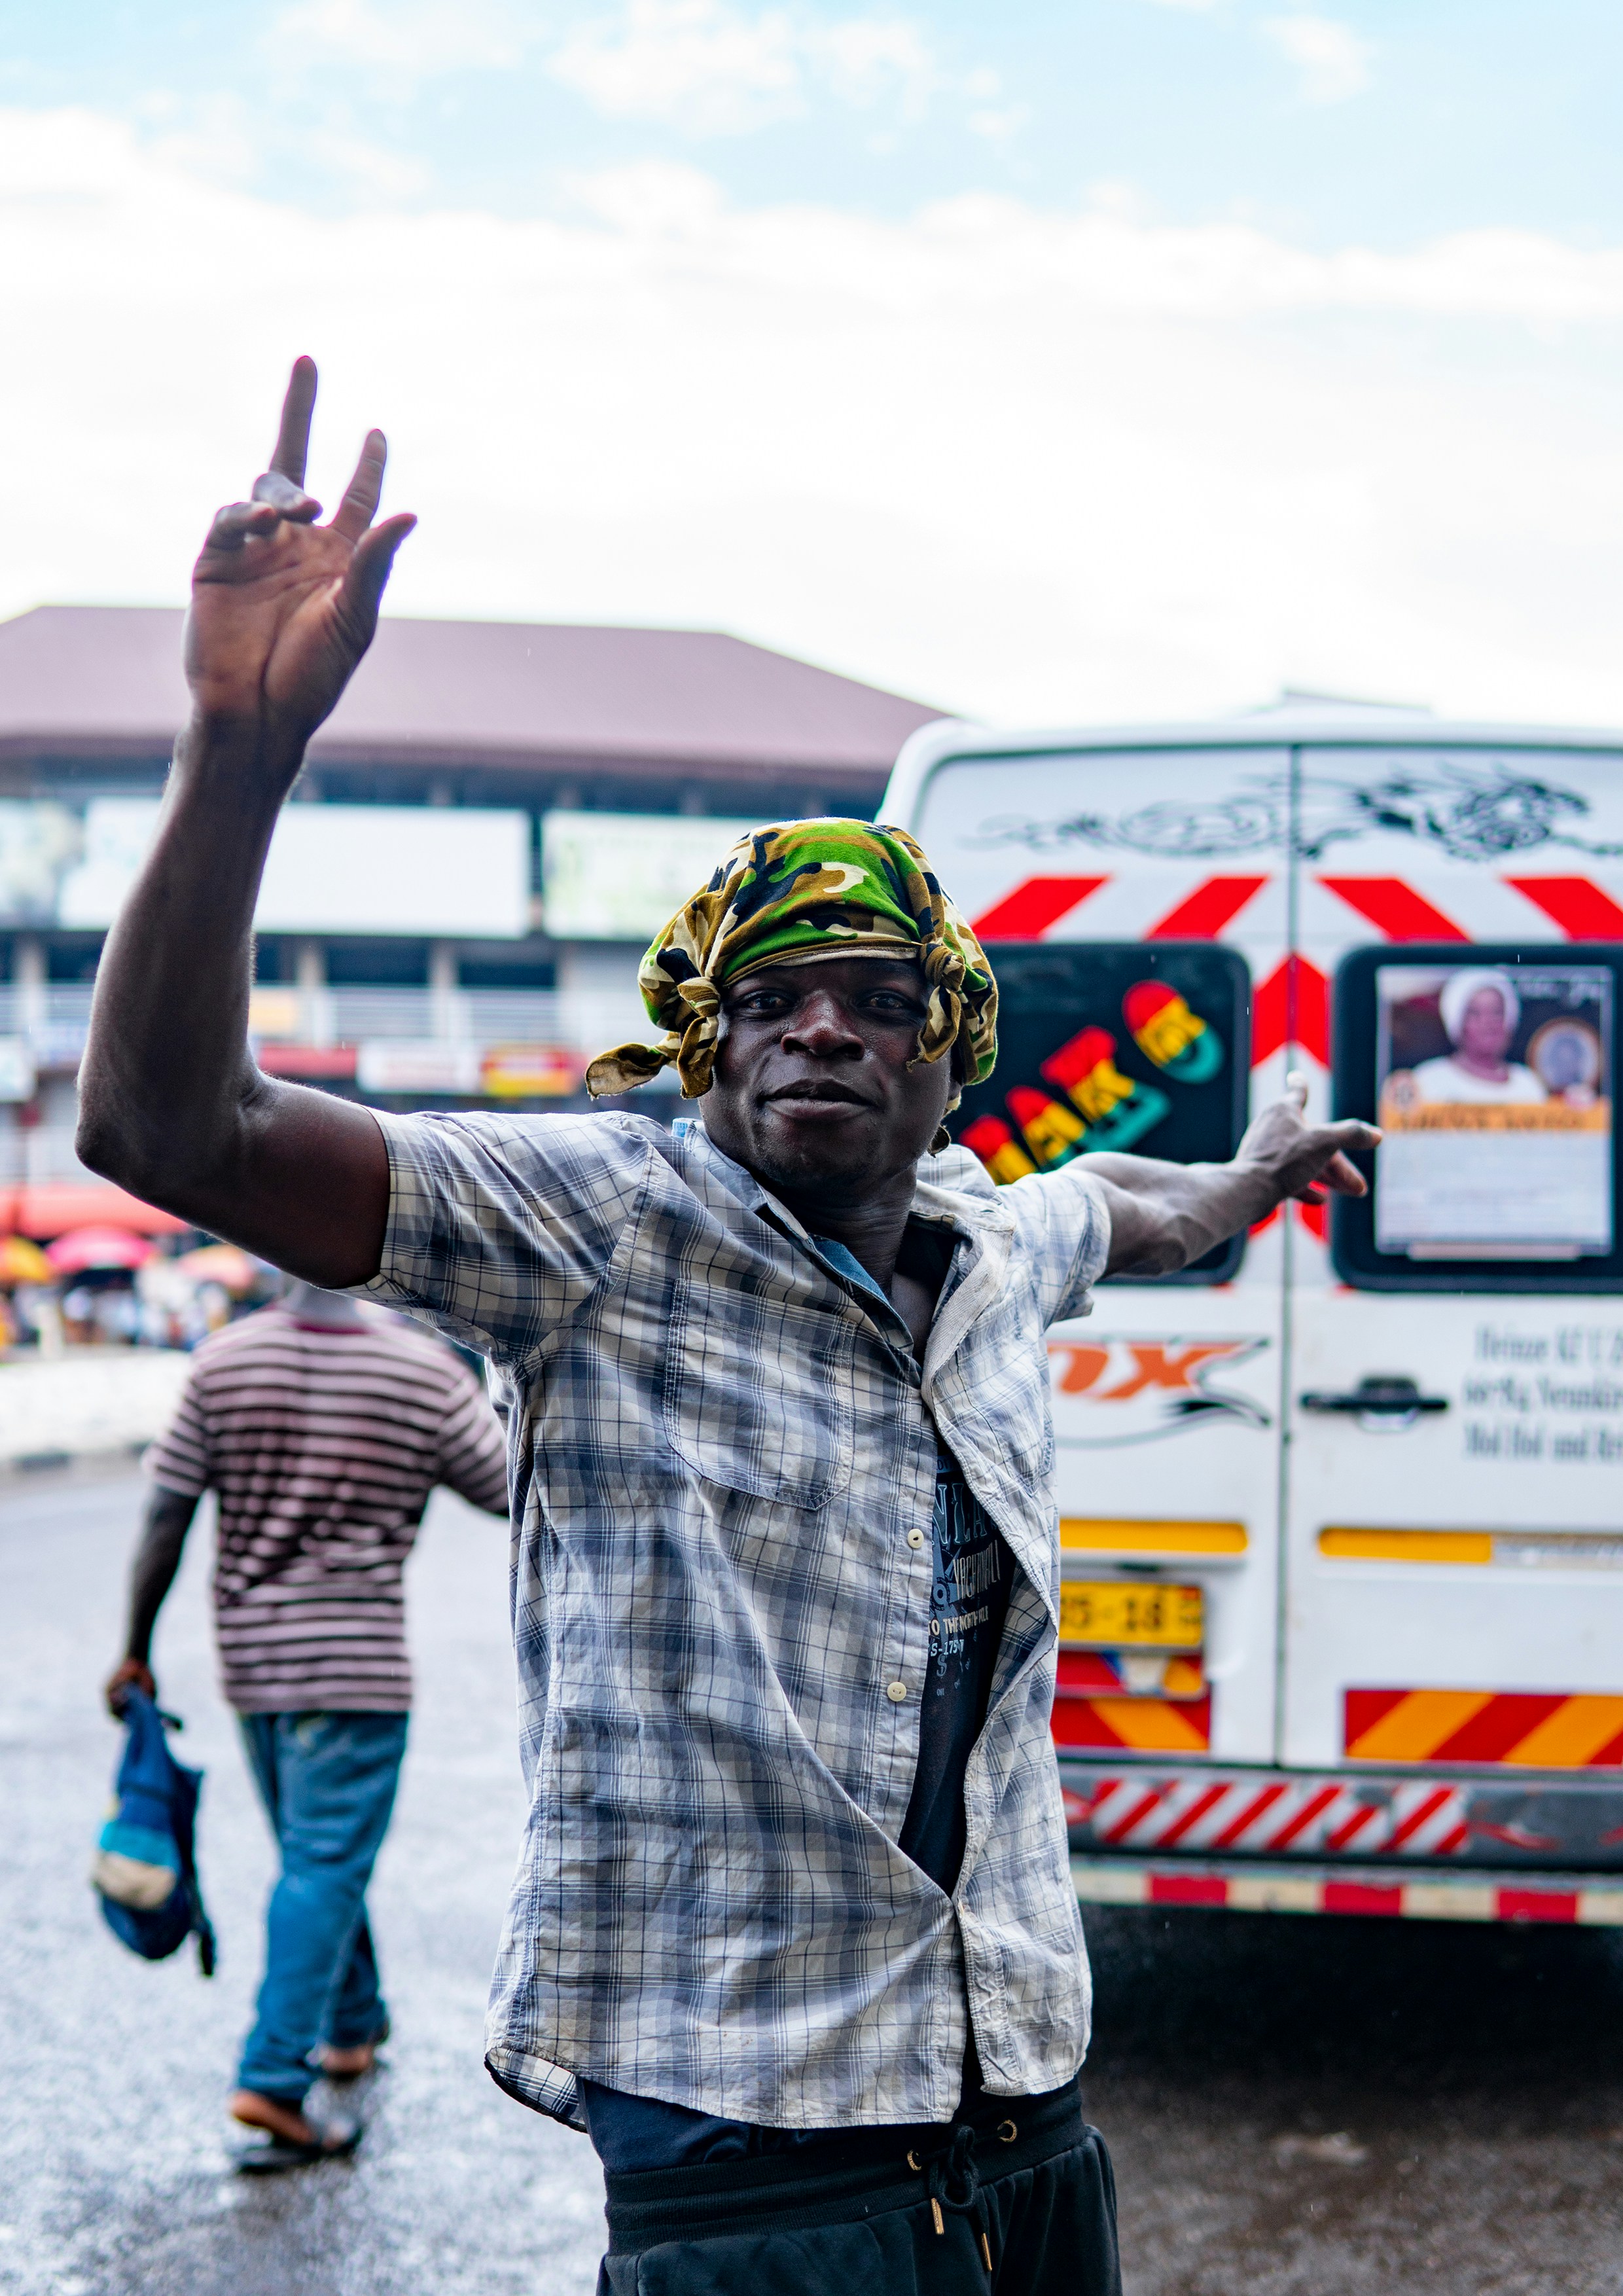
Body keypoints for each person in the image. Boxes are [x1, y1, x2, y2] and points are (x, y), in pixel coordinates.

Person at [79, 360, 1378, 2284]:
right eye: (770, 999)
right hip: (745, 2136)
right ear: (708, 1049)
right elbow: (169, 1128)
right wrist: (237, 748)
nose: (821, 1027)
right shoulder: (594, 1224)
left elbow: (1121, 1202)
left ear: (948, 1059)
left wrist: (1252, 1171)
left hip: (1021, 2098)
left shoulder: (986, 1242)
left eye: (874, 997)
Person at [104, 1274, 508, 2170]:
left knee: (315, 1856)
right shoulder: (421, 1373)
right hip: (358, 1670)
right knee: (324, 1862)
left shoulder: (224, 1361)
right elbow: (508, 1487)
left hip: (255, 1669)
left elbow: (166, 1516)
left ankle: (351, 2026)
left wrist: (135, 1648)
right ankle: (273, 2079)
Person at [1411, 969, 1544, 1105]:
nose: (1488, 1023)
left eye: (1497, 1012)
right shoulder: (1428, 1080)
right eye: (1475, 1013)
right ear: (1458, 1023)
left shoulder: (1528, 1083)